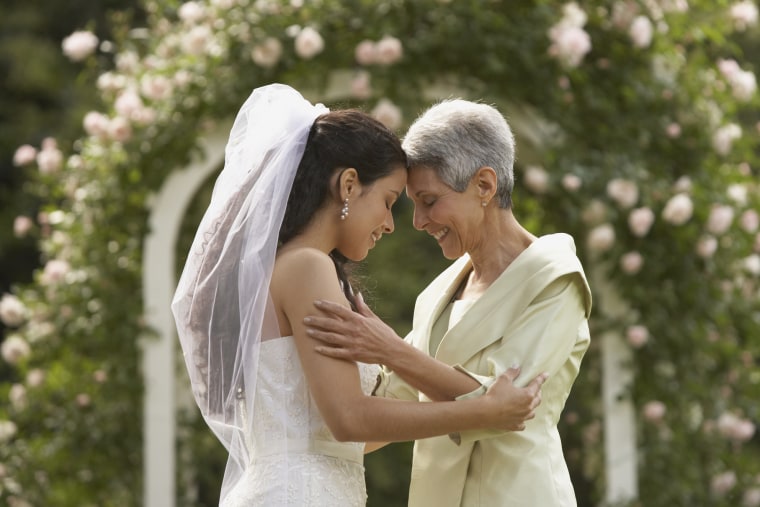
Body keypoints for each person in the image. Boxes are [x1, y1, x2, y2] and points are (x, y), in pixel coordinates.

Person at [171, 84, 547, 506]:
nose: (390, 224)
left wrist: (394, 352)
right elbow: (349, 419)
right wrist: (483, 412)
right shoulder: (306, 267)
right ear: (349, 185)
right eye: (388, 201)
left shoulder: (291, 268)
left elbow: (344, 432)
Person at [304, 98, 593, 506]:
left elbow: (506, 405)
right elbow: (389, 410)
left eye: (429, 200)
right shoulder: (436, 295)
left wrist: (389, 348)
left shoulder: (556, 279)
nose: (419, 221)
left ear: (484, 186)